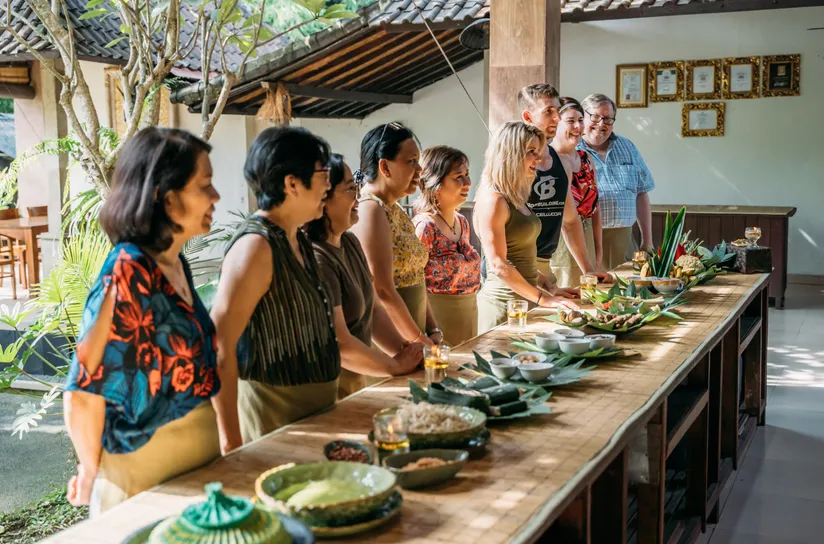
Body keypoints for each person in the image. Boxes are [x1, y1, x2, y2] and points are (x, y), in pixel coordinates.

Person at [63, 128, 221, 516]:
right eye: (205, 185)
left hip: (197, 469)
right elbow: (82, 393)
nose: (215, 196)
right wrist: (89, 471)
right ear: (166, 199)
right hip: (147, 482)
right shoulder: (127, 272)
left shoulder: (172, 261)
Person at [210, 127, 339, 454]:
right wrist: (230, 443)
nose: (329, 184)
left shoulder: (298, 237)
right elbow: (219, 344)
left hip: (310, 420)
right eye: (323, 173)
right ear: (292, 183)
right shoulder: (255, 247)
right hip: (274, 422)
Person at [305, 153, 423, 398]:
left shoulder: (349, 241)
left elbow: (375, 309)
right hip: (326, 387)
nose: (358, 196)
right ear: (323, 199)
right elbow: (341, 343)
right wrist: (396, 365)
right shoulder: (317, 258)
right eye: (350, 189)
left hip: (356, 382)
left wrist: (407, 352)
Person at [474, 121, 580, 333]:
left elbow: (522, 262)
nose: (539, 158)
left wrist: (550, 288)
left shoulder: (515, 196)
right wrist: (544, 300)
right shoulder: (493, 200)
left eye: (538, 151)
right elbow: (499, 265)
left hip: (526, 301)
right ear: (510, 154)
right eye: (531, 151)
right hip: (505, 307)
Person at [351, 122, 441, 347]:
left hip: (414, 334)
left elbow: (416, 275)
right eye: (411, 161)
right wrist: (419, 341)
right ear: (385, 167)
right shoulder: (369, 209)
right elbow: (382, 290)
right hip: (393, 342)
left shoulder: (394, 208)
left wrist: (433, 329)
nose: (419, 169)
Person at [518, 84, 611, 290]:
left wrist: (588, 270)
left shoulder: (560, 161)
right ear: (528, 117)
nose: (557, 118)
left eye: (557, 110)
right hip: (517, 269)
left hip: (544, 265)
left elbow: (570, 221)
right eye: (548, 112)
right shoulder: (512, 159)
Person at [413, 145, 481, 347]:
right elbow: (415, 283)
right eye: (458, 177)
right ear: (436, 183)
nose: (467, 183)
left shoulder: (463, 222)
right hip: (438, 320)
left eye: (467, 175)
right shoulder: (425, 227)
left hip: (469, 315)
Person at [579, 93, 656, 269]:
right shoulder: (571, 150)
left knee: (628, 291)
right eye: (595, 117)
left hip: (625, 238)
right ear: (582, 117)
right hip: (586, 240)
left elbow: (641, 193)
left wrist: (647, 240)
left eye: (607, 119)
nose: (601, 124)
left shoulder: (627, 146)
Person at [549, 97, 605, 287]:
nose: (578, 126)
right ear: (556, 124)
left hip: (586, 236)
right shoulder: (549, 160)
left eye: (581, 120)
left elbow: (595, 208)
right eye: (570, 121)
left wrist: (598, 252)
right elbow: (566, 221)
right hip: (562, 244)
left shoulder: (586, 158)